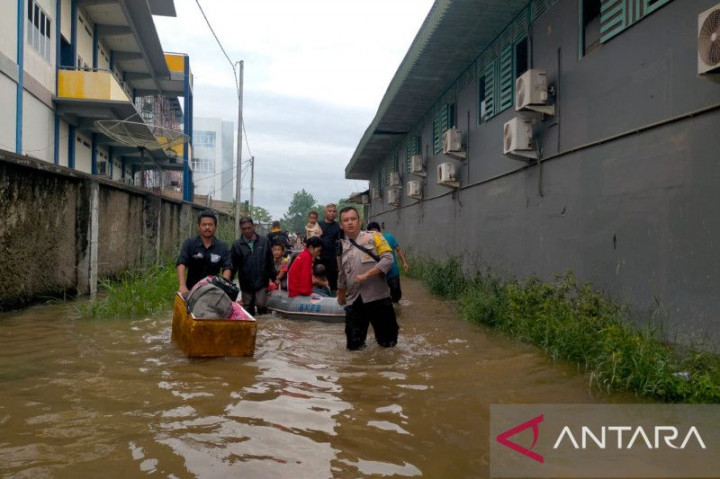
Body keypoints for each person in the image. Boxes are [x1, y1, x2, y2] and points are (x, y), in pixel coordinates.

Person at [336, 206, 399, 350]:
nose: (350, 222)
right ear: (341, 225)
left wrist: (367, 274)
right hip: (354, 300)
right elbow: (341, 272)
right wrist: (340, 291)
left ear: (360, 221)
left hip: (378, 298)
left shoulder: (375, 237)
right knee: (354, 348)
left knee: (388, 345)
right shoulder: (340, 246)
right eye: (346, 220)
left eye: (353, 219)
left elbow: (388, 259)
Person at [176, 210, 232, 295]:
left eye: (210, 225)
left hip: (213, 292)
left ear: (216, 227)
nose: (207, 227)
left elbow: (227, 267)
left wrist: (223, 287)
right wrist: (182, 285)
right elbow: (181, 263)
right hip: (191, 291)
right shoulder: (189, 243)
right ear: (198, 227)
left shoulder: (222, 246)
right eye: (204, 224)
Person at [231, 216, 276, 315]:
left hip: (262, 281)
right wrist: (228, 282)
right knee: (247, 308)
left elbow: (270, 261)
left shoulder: (264, 241)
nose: (247, 231)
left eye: (249, 228)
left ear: (253, 226)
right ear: (240, 228)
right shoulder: (237, 245)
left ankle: (264, 327)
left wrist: (274, 278)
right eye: (244, 229)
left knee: (260, 304)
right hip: (245, 283)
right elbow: (233, 265)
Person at [367, 222, 409, 303]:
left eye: (375, 232)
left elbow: (398, 249)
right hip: (379, 275)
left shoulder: (389, 237)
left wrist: (404, 262)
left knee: (396, 298)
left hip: (392, 273)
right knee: (381, 298)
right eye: (371, 233)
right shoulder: (368, 243)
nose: (374, 235)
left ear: (380, 231)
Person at [318, 203, 341, 292]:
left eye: (334, 211)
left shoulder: (338, 226)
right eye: (330, 211)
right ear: (325, 213)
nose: (332, 213)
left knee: (333, 282)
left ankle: (333, 299)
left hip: (333, 258)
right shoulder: (318, 224)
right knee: (319, 278)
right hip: (320, 257)